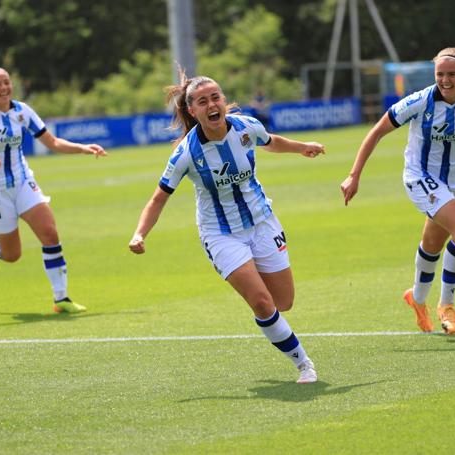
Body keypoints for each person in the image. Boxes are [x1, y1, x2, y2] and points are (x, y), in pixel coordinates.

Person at [128, 71, 325, 383]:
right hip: (220, 234)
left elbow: (271, 142)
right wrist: (140, 233)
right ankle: (304, 364)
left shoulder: (246, 127)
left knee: (283, 302)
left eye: (216, 97)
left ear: (224, 100)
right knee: (262, 302)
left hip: (262, 222)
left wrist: (302, 147)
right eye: (203, 101)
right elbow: (158, 199)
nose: (212, 104)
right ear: (192, 110)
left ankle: (270, 317)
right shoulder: (186, 153)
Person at [340, 47, 455, 335]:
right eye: (440, 74)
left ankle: (417, 298)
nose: (445, 80)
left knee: (433, 244)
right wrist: (354, 175)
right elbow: (377, 131)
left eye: (452, 74)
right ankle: (446, 305)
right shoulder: (421, 100)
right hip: (420, 177)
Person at [0, 67, 107, 314]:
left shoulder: (22, 111)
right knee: (11, 255)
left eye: (6, 82)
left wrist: (83, 148)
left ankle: (61, 299)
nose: (3, 87)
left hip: (22, 182)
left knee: (49, 233)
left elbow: (52, 142)